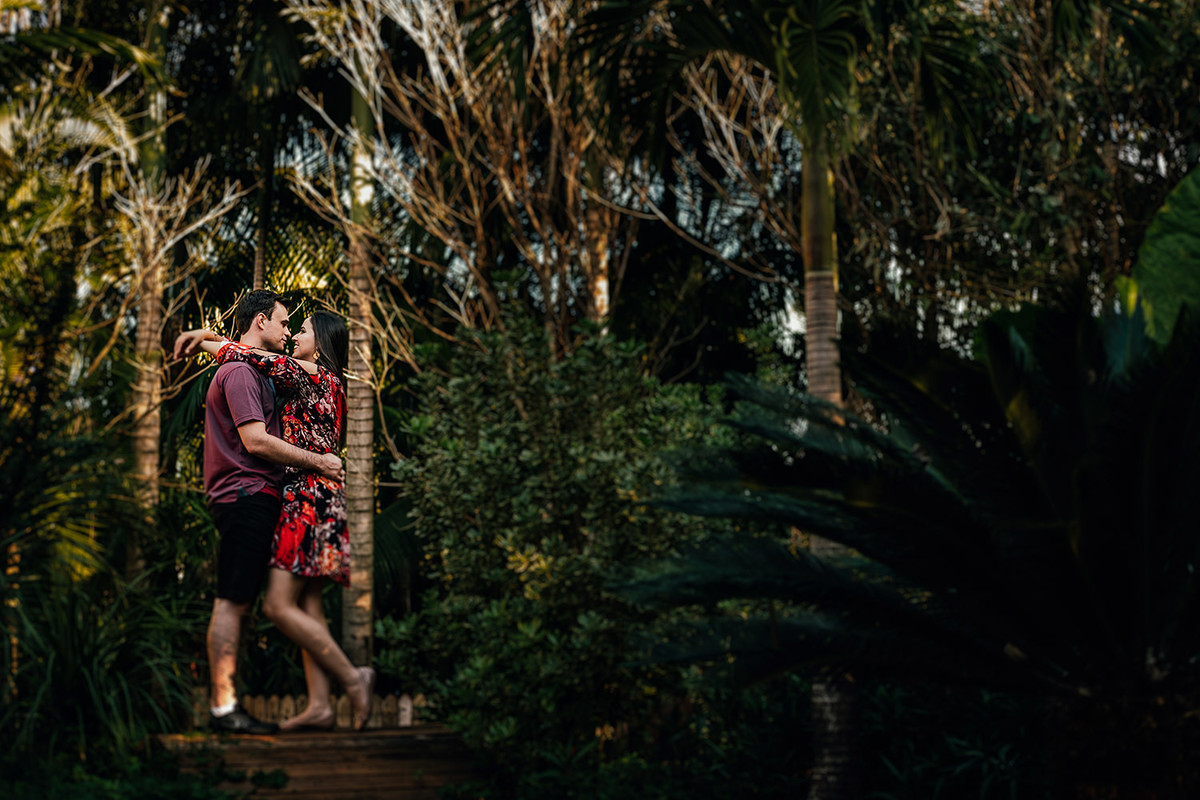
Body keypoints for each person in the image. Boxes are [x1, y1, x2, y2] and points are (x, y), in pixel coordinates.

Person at [175, 304, 375, 732]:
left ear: (320, 347)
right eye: (290, 326)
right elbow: (249, 356)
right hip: (321, 497)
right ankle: (320, 705)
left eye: (302, 330)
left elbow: (248, 355)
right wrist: (207, 338)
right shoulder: (327, 382)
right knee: (309, 604)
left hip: (306, 496)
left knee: (277, 605)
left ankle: (351, 677)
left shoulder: (311, 374)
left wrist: (202, 338)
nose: (294, 335)